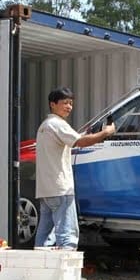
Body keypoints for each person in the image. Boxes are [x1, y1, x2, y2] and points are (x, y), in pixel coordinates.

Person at [34, 87, 116, 250]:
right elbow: (81, 142)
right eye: (65, 103)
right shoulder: (57, 124)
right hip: (60, 189)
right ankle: (66, 274)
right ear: (52, 104)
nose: (69, 107)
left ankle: (39, 272)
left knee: (44, 236)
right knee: (67, 235)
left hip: (46, 190)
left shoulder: (45, 125)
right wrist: (106, 132)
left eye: (71, 103)